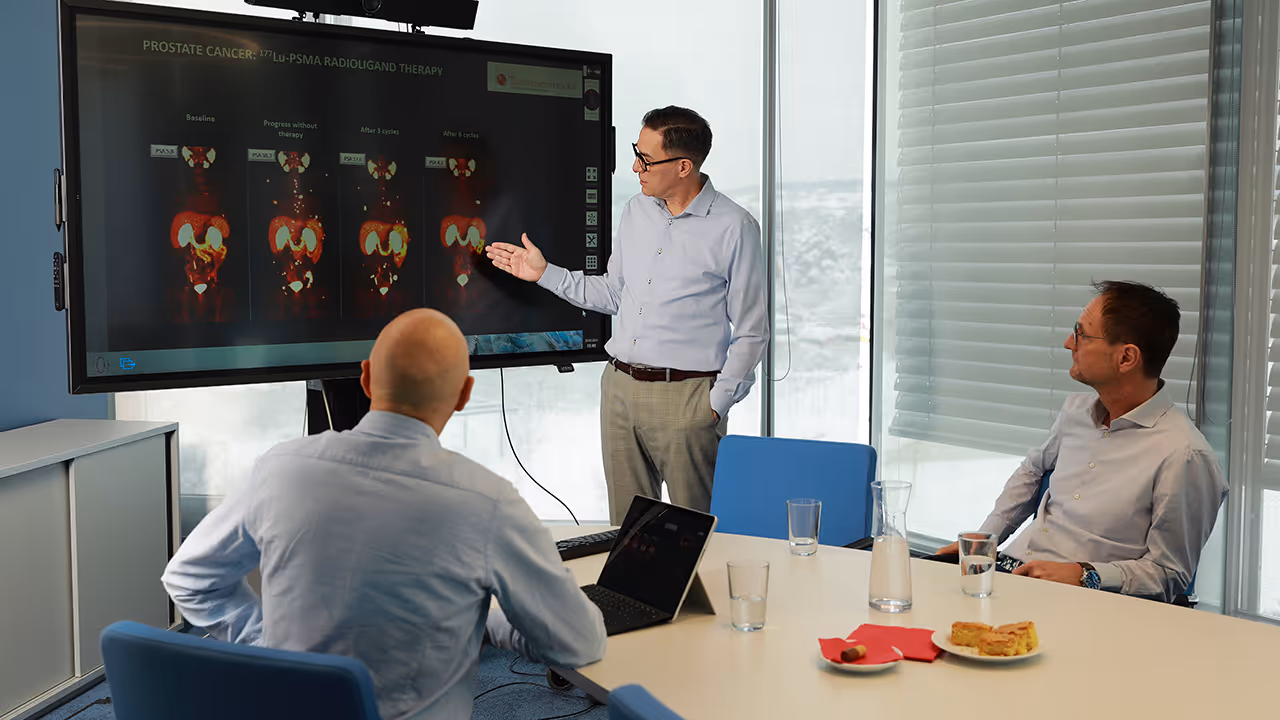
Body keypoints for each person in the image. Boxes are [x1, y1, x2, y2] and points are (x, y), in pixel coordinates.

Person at [161, 309, 606, 720]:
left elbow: (189, 577)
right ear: (464, 394)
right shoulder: (487, 500)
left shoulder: (280, 470)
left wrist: (266, 647)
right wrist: (487, 620)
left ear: (367, 378)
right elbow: (578, 641)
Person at [485, 106, 769, 523]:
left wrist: (714, 405)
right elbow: (615, 293)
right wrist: (545, 274)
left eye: (647, 159)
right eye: (636, 151)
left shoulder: (735, 227)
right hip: (619, 389)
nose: (635, 166)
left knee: (696, 535)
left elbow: (751, 333)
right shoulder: (636, 209)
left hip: (687, 399)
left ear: (684, 166)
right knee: (627, 533)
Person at [934, 281, 1227, 602]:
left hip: (1083, 601)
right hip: (1009, 572)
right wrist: (986, 539)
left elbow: (1170, 575)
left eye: (1081, 334)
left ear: (1126, 357)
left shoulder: (1184, 454)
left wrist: (1087, 575)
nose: (1067, 343)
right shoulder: (1075, 411)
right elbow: (1032, 471)